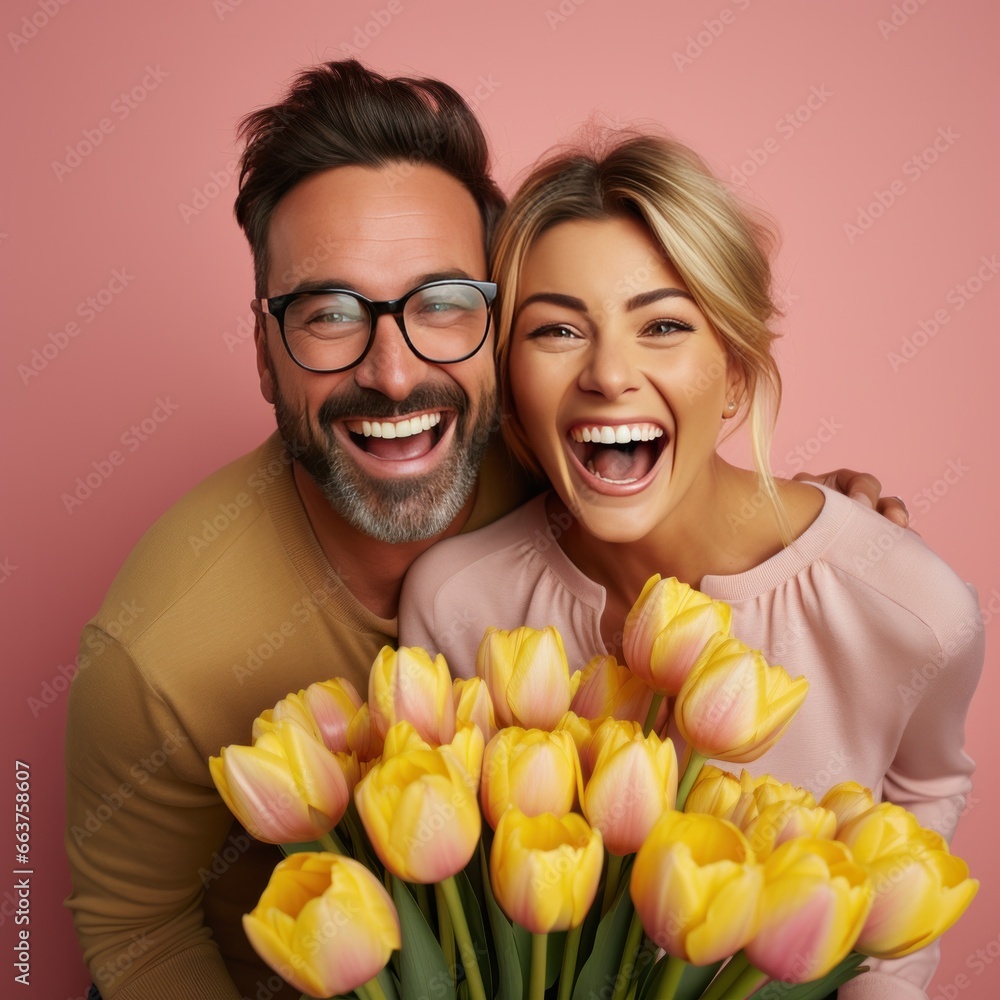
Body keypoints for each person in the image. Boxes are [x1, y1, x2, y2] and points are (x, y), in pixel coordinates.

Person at [64, 63, 907, 1000]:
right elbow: (129, 920)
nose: (392, 373)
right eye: (330, 314)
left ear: (502, 325)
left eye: (442, 303)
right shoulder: (157, 649)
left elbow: (687, 454)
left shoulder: (555, 457)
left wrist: (819, 516)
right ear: (266, 353)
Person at [398, 132, 983, 998]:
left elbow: (925, 790)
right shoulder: (460, 604)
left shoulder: (905, 606)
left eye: (664, 325)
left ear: (737, 375)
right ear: (509, 377)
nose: (607, 373)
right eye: (557, 329)